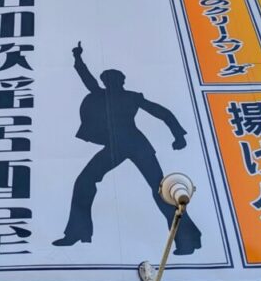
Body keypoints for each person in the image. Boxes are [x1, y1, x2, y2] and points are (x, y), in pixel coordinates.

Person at [53, 42, 202, 254]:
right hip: (115, 146)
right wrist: (78, 58)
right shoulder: (101, 94)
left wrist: (178, 134)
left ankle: (187, 239)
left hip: (136, 145)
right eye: (107, 80)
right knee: (84, 181)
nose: (110, 82)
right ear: (105, 82)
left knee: (161, 191)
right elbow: (86, 77)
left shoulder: (132, 97)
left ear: (121, 81)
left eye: (113, 79)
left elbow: (161, 112)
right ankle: (77, 232)